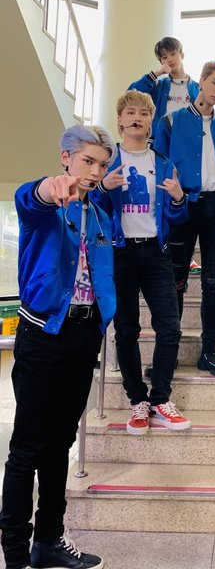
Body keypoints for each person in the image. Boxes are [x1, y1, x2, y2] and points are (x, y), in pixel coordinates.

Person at [0, 125, 117, 569]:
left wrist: (103, 318)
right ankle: (15, 554)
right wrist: (49, 191)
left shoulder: (100, 216)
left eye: (101, 164)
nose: (95, 171)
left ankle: (48, 539)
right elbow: (32, 198)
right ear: (66, 157)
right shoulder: (45, 205)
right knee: (27, 446)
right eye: (87, 161)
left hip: (84, 337)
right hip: (43, 336)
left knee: (61, 441)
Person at [92, 89, 191, 435]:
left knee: (170, 327)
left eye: (144, 113)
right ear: (120, 120)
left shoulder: (163, 163)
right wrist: (102, 188)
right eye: (130, 112)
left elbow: (178, 217)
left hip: (155, 252)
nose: (137, 118)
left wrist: (178, 197)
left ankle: (161, 398)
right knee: (126, 330)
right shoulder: (107, 162)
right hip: (119, 253)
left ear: (151, 122)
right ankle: (138, 400)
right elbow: (90, 208)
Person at [154, 62, 215, 377]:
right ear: (202, 80)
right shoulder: (170, 122)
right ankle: (169, 352)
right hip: (182, 207)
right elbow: (159, 167)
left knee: (212, 281)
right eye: (214, 83)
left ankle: (208, 352)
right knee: (176, 280)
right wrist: (172, 200)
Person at [128, 36, 201, 273]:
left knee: (184, 195)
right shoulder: (159, 87)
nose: (169, 59)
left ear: (182, 54)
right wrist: (157, 73)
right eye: (164, 57)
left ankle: (188, 253)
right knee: (162, 193)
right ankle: (165, 244)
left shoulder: (196, 88)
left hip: (189, 148)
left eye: (172, 54)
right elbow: (132, 93)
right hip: (162, 145)